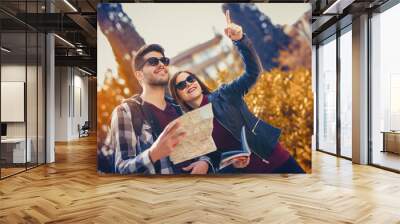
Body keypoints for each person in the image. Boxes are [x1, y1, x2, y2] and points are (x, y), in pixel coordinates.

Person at [168, 10, 305, 173]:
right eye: (181, 85)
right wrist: (229, 162)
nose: (188, 84)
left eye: (190, 79)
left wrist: (241, 41)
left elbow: (253, 73)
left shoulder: (224, 95)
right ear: (178, 95)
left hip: (274, 158)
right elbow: (212, 159)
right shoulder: (191, 125)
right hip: (246, 178)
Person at [103, 42, 214, 174]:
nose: (161, 64)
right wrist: (153, 153)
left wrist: (204, 162)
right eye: (153, 61)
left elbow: (202, 148)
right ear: (139, 75)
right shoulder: (125, 112)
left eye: (164, 60)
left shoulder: (179, 108)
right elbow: (122, 169)